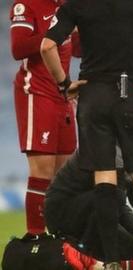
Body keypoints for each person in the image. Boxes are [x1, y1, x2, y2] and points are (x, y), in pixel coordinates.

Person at [40, 0, 133, 269]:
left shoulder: (77, 4)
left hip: (94, 96)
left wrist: (65, 84)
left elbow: (47, 45)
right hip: (131, 93)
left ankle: (112, 263)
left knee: (103, 177)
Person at [9, 0, 78, 236]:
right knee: (42, 171)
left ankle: (62, 237)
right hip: (36, 93)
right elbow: (18, 48)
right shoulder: (27, 5)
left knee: (66, 175)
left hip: (64, 95)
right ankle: (35, 238)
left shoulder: (70, 6)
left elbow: (77, 49)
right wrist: (59, 30)